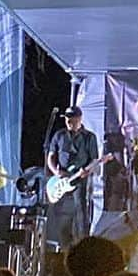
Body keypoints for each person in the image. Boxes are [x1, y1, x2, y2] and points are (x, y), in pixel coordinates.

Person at [46, 105, 100, 251]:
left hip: (80, 179)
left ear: (79, 119)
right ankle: (63, 244)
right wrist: (55, 171)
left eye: (73, 120)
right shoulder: (59, 135)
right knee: (61, 213)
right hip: (61, 179)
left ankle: (83, 244)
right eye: (68, 120)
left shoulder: (89, 137)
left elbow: (94, 160)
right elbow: (50, 156)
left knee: (80, 210)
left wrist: (86, 172)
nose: (70, 123)